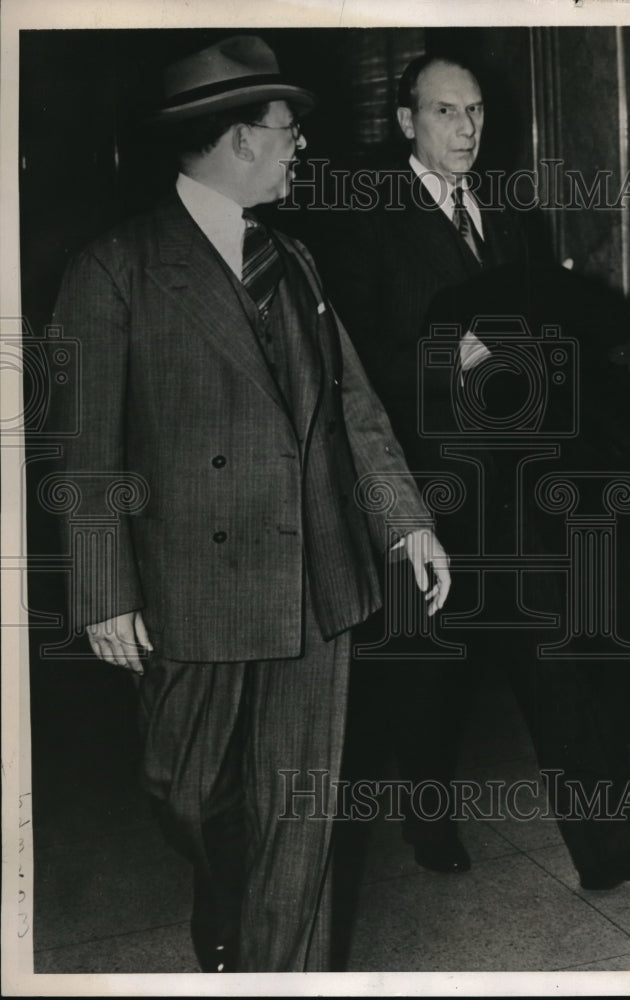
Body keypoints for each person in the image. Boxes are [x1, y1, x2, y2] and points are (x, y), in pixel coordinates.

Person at [49, 34, 450, 973]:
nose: (298, 149)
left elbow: (353, 407)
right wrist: (104, 589)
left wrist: (409, 523)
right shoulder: (117, 268)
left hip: (319, 578)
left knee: (301, 813)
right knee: (185, 789)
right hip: (195, 583)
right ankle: (223, 876)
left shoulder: (295, 262)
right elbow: (88, 447)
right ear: (235, 142)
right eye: (284, 132)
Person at [315, 53, 630, 890]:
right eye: (446, 112)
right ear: (404, 121)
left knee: (562, 660)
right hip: (430, 492)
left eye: (476, 112)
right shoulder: (363, 223)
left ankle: (614, 855)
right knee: (429, 672)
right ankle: (425, 822)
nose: (466, 129)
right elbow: (351, 364)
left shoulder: (510, 210)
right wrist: (445, 356)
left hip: (525, 488)